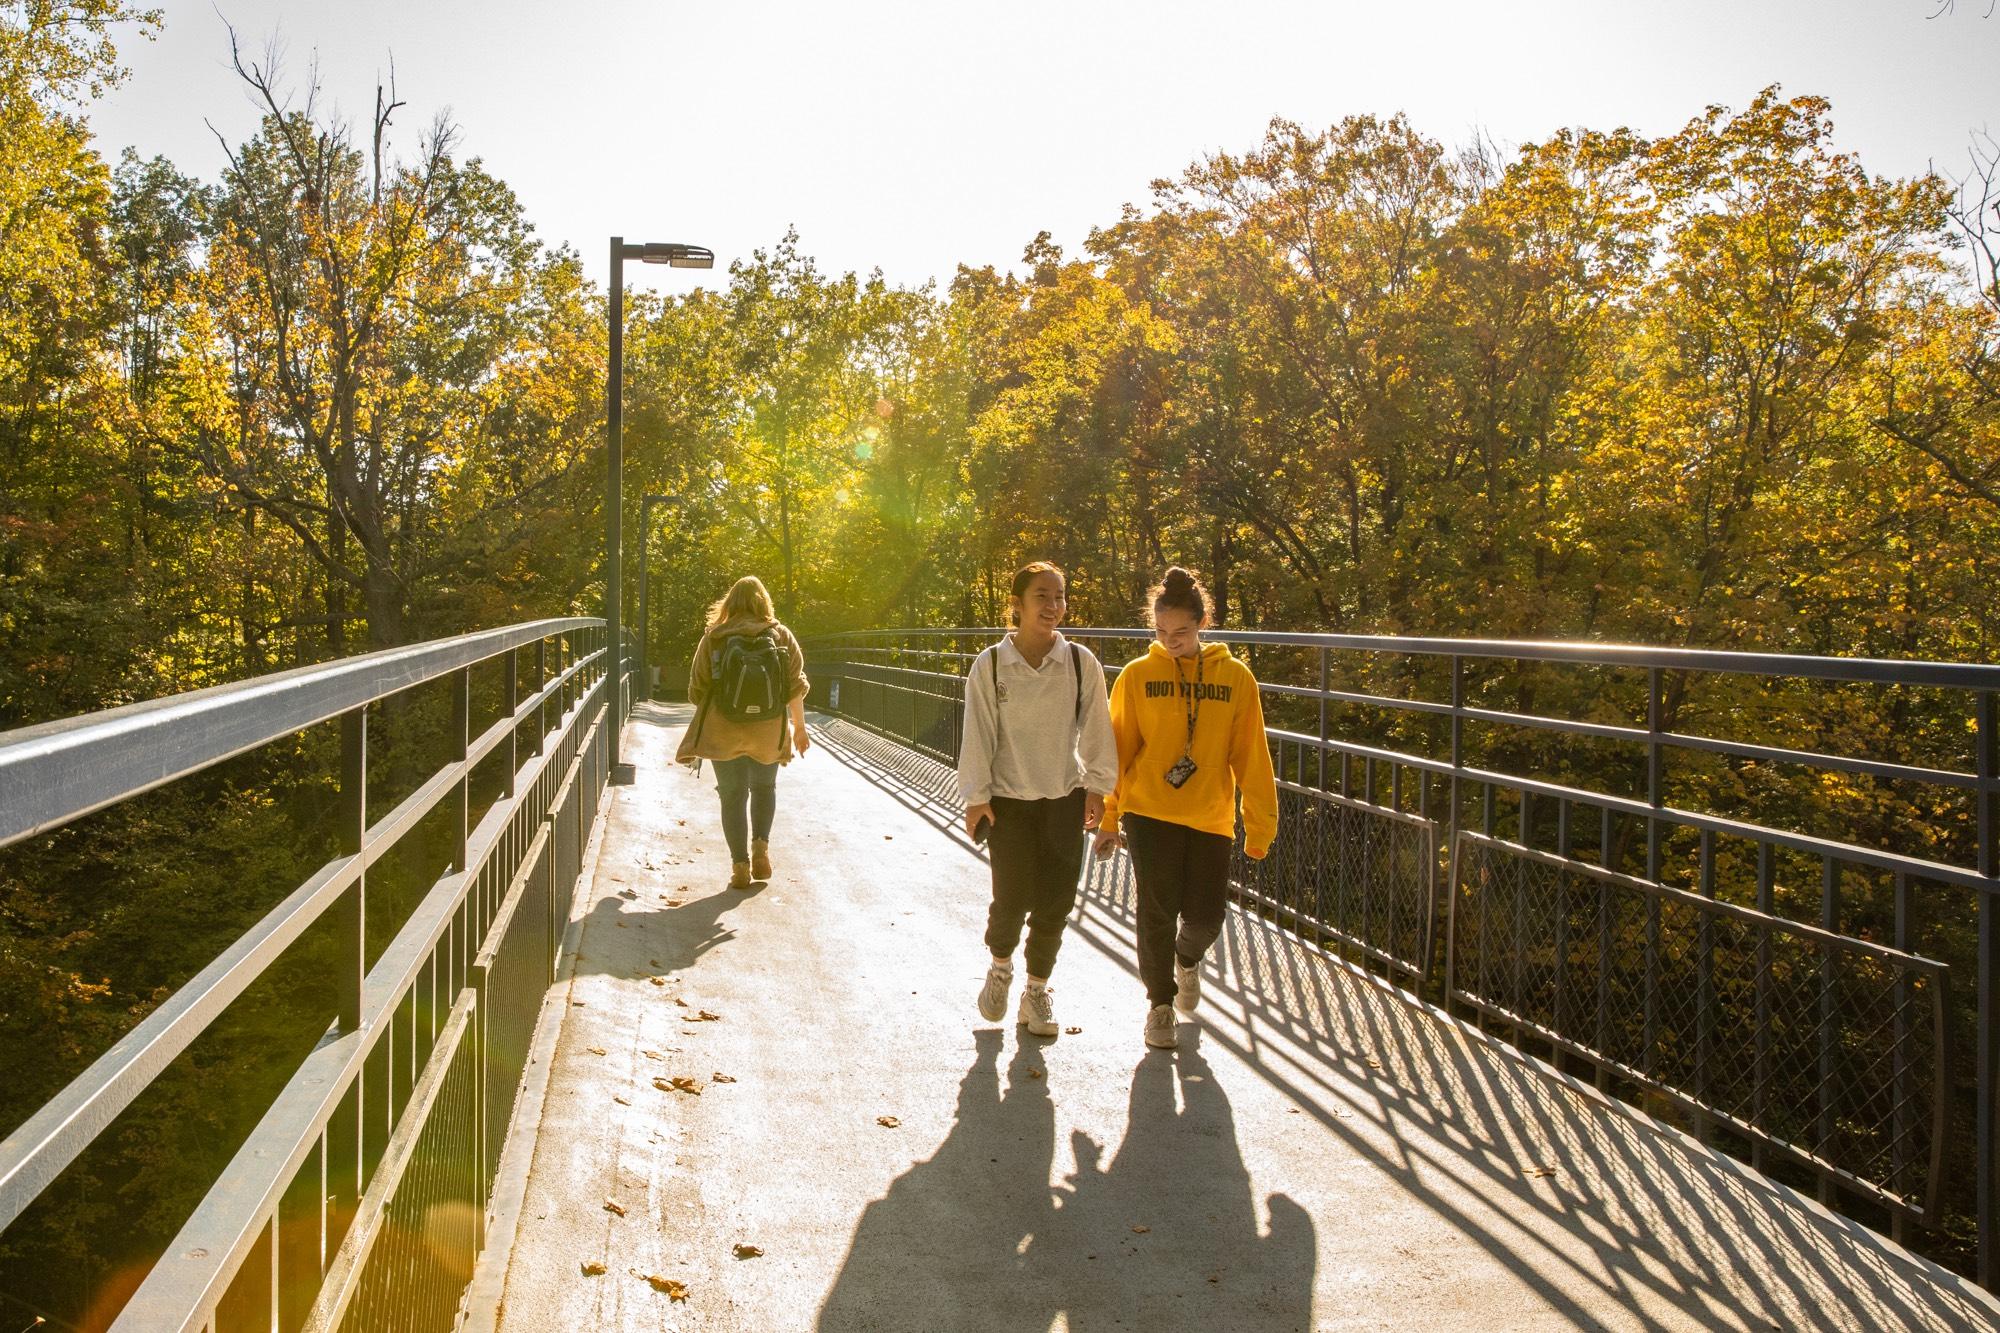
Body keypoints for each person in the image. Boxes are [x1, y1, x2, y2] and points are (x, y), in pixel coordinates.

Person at [1095, 566, 1277, 1050]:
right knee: (1156, 908)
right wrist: (1109, 818)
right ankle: (1159, 1005)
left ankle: (1187, 959)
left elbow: (1252, 755)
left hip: (1211, 815)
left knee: (1206, 917)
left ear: (1202, 625)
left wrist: (1259, 825)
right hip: (1148, 810)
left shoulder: (1236, 679)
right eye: (1160, 632)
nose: (1170, 640)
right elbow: (1118, 748)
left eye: (1181, 632)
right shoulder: (1137, 676)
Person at [957, 561, 1118, 1037]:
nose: (1053, 606)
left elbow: (1096, 729)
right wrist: (975, 797)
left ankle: (1037, 991)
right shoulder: (989, 665)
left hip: (1063, 798)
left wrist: (1098, 788)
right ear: (1018, 604)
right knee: (1010, 899)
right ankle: (1001, 967)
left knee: (1056, 901)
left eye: (1060, 596)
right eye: (1042, 596)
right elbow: (978, 735)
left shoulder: (1078, 662)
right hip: (1008, 800)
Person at [675, 575, 811, 889]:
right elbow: (795, 687)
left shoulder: (714, 638)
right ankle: (761, 846)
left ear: (730, 603)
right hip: (767, 731)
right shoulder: (780, 635)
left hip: (724, 731)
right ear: (764, 601)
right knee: (764, 788)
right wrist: (800, 728)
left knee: (732, 796)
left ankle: (739, 865)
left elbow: (697, 689)